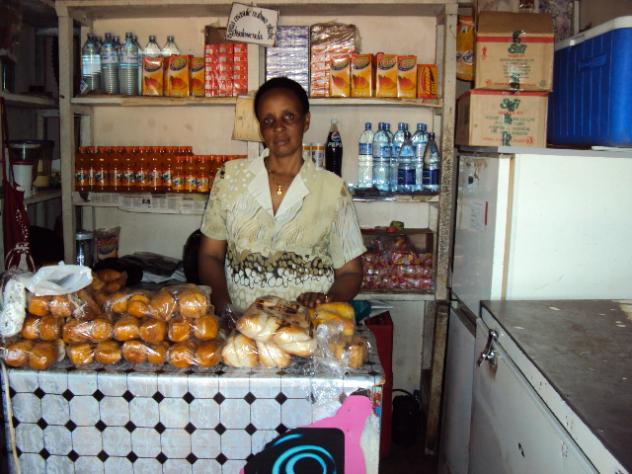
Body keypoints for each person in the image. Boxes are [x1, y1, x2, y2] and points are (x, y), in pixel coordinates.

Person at [198, 77, 366, 312]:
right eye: (269, 120)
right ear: (261, 127)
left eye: (289, 117)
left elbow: (351, 272)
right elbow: (210, 255)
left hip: (307, 325)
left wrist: (327, 298)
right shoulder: (230, 178)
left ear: (306, 121)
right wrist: (225, 308)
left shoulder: (332, 189)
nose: (278, 127)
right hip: (242, 324)